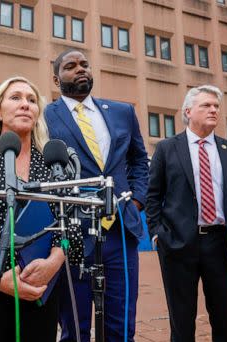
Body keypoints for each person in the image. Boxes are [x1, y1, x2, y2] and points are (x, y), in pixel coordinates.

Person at [0, 76, 83, 342]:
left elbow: (70, 221)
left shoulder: (54, 163)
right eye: (15, 98)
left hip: (41, 287)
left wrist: (53, 263)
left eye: (32, 100)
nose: (25, 105)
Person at [45, 48, 150, 342]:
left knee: (121, 322)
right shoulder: (45, 116)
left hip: (120, 230)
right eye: (70, 66)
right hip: (73, 234)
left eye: (84, 64)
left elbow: (139, 161)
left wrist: (137, 201)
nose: (80, 69)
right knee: (75, 325)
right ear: (56, 78)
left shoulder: (122, 112)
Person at [145, 85, 227, 341]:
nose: (214, 110)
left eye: (216, 106)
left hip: (220, 244)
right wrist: (157, 234)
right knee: (182, 320)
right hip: (177, 244)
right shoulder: (167, 149)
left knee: (225, 318)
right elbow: (153, 196)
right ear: (188, 111)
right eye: (206, 105)